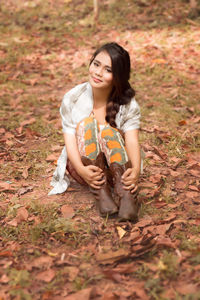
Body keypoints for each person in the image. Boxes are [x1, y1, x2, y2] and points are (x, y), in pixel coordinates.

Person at [49, 42, 141, 221]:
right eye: (96, 64)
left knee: (109, 132)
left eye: (108, 70)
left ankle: (127, 197)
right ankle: (102, 196)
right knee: (86, 124)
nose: (98, 72)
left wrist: (136, 170)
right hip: (88, 170)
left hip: (119, 172)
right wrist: (82, 170)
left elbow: (131, 141)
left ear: (118, 77)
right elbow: (69, 141)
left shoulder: (128, 104)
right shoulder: (73, 98)